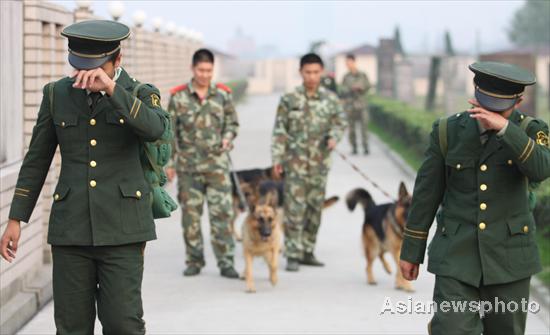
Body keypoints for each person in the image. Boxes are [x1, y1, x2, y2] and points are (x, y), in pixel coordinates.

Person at [0, 20, 170, 334]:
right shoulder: (56, 94)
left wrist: (111, 90)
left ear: (118, 60)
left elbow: (155, 129)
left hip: (123, 231)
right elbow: (36, 160)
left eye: (97, 69)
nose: (86, 76)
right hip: (71, 230)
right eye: (79, 67)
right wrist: (15, 218)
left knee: (123, 323)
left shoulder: (141, 93)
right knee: (71, 326)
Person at [399, 61, 550, 335]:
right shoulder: (447, 131)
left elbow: (542, 168)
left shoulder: (531, 131)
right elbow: (426, 194)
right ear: (475, 92)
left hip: (510, 257)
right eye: (486, 103)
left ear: (518, 101)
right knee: (452, 328)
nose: (489, 113)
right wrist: (411, 251)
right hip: (456, 254)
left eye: (498, 107)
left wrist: (506, 129)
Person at [165, 49, 239, 278]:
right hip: (188, 169)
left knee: (222, 216)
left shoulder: (223, 95)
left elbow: (232, 124)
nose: (205, 75)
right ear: (192, 69)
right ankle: (194, 260)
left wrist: (227, 137)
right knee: (191, 218)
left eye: (209, 71)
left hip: (217, 167)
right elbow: (169, 133)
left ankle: (226, 261)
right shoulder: (178, 97)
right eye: (201, 70)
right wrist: (169, 163)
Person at [271, 53, 347, 271]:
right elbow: (279, 130)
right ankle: (293, 254)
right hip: (294, 164)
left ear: (321, 72)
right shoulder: (289, 99)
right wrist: (277, 158)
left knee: (314, 209)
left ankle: (307, 251)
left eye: (316, 72)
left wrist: (334, 136)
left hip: (320, 165)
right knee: (294, 209)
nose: (312, 77)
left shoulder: (330, 99)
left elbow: (340, 122)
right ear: (300, 72)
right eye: (308, 72)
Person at [340, 54, 371, 155]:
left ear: (354, 62)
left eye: (349, 62)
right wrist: (350, 88)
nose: (347, 64)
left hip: (361, 104)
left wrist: (361, 87)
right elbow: (342, 89)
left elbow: (368, 86)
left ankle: (365, 147)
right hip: (350, 105)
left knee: (364, 127)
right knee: (351, 128)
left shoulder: (362, 75)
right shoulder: (346, 76)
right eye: (346, 63)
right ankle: (354, 147)